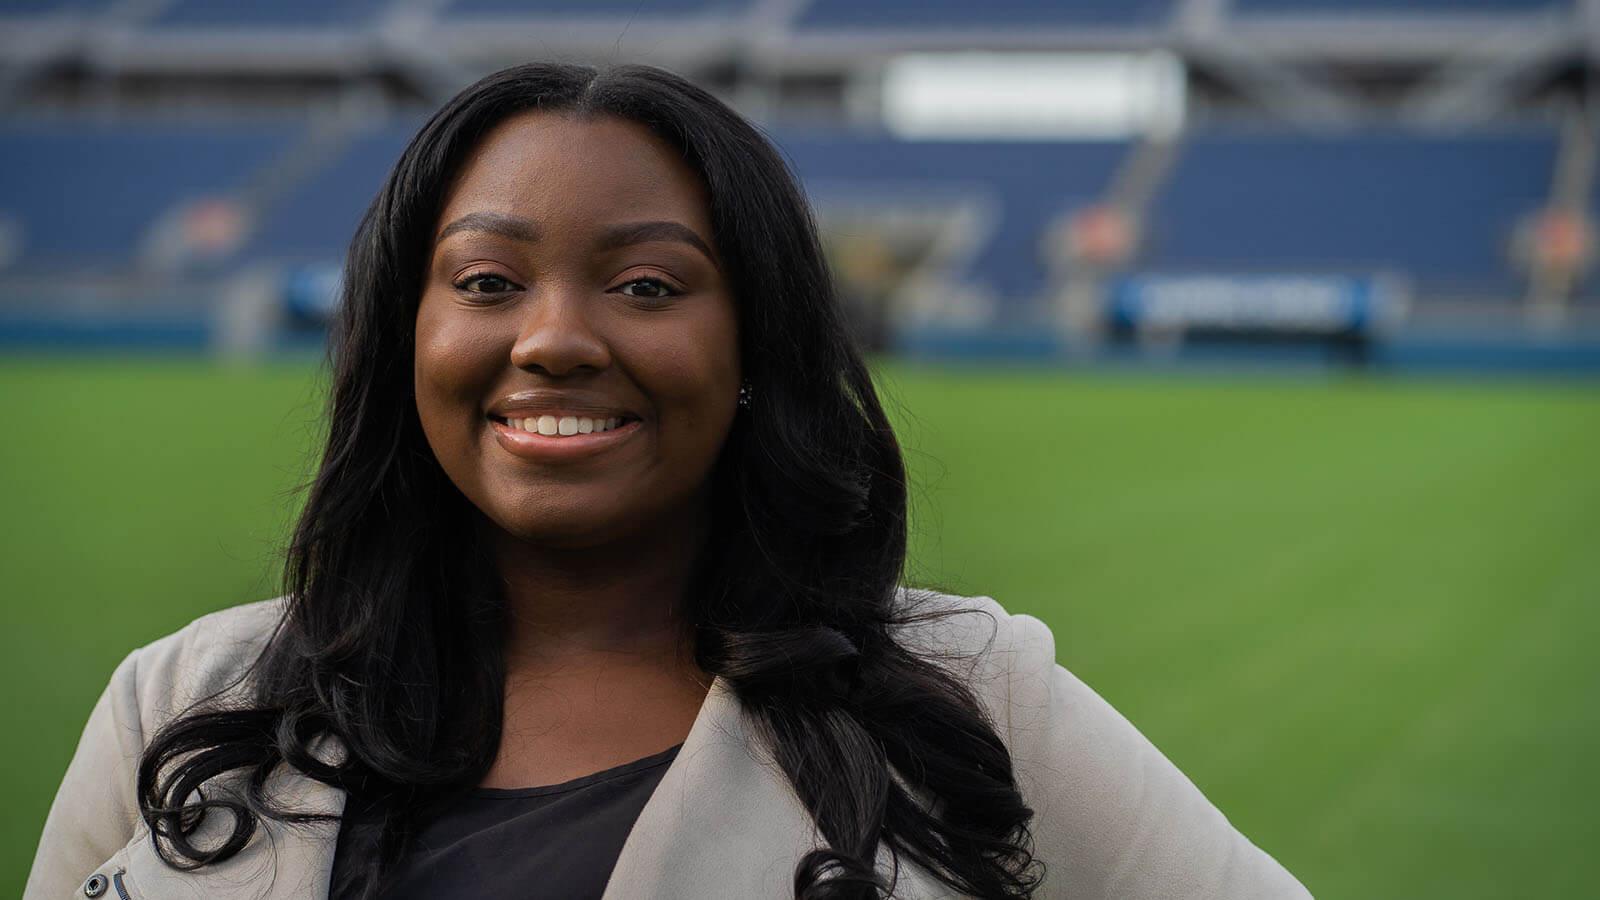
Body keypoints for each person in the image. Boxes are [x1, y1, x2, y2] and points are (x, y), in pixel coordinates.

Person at [24, 63, 1312, 900]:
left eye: (647, 285)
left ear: (753, 344)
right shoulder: (185, 707)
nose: (555, 337)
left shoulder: (970, 704)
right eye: (485, 282)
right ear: (401, 339)